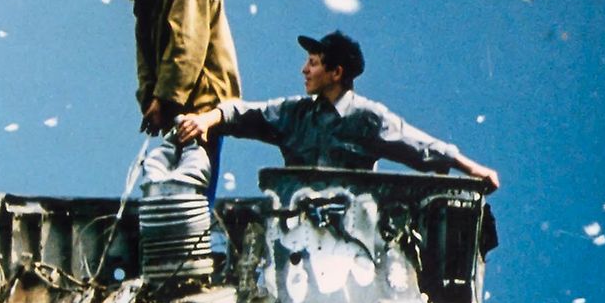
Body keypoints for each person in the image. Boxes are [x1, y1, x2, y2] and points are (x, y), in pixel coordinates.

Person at [173, 31, 500, 189]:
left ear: (337, 73)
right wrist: (206, 119)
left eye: (313, 63)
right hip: (292, 233)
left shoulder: (367, 119)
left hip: (348, 239)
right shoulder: (295, 114)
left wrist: (473, 169)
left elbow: (423, 148)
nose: (304, 70)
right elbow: (243, 114)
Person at [112, 0, 242, 279]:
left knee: (192, 192)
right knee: (172, 187)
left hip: (202, 102)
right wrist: (149, 99)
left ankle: (192, 269)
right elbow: (145, 53)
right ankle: (175, 266)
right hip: (174, 103)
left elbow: (186, 45)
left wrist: (165, 99)